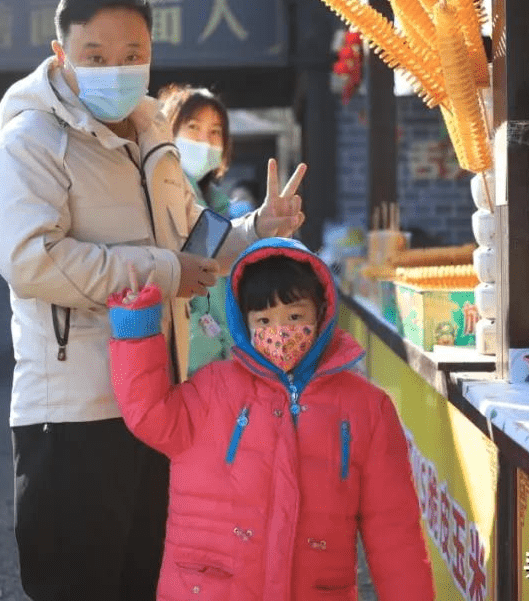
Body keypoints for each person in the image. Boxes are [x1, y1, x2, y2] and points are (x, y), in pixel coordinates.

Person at [0, 0, 307, 601]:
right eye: (95, 56)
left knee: (148, 580)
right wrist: (163, 273)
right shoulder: (27, 145)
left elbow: (193, 241)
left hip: (158, 400)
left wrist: (258, 228)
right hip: (75, 412)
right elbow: (31, 261)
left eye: (132, 56)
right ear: (60, 53)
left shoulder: (151, 136)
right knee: (79, 583)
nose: (115, 70)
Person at [106, 237, 435, 601]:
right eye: (264, 320)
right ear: (244, 324)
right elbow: (149, 413)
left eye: (295, 316)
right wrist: (136, 330)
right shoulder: (213, 388)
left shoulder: (367, 408)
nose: (281, 332)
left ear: (322, 312)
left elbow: (393, 530)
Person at [160, 84, 236, 377]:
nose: (206, 140)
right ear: (168, 131)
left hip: (216, 367)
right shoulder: (164, 198)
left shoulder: (219, 207)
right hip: (188, 370)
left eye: (216, 132)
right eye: (193, 127)